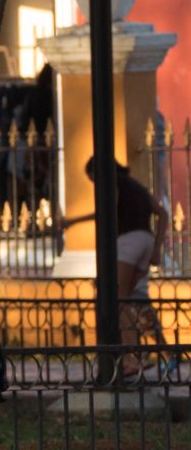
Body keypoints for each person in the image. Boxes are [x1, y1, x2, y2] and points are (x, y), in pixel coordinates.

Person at [62, 156, 171, 376]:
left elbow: (106, 212)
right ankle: (162, 353)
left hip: (128, 242)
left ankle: (132, 358)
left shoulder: (113, 184)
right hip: (145, 240)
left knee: (117, 300)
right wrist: (156, 248)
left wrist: (72, 221)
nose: (95, 184)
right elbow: (163, 213)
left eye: (93, 180)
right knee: (133, 299)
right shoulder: (135, 185)